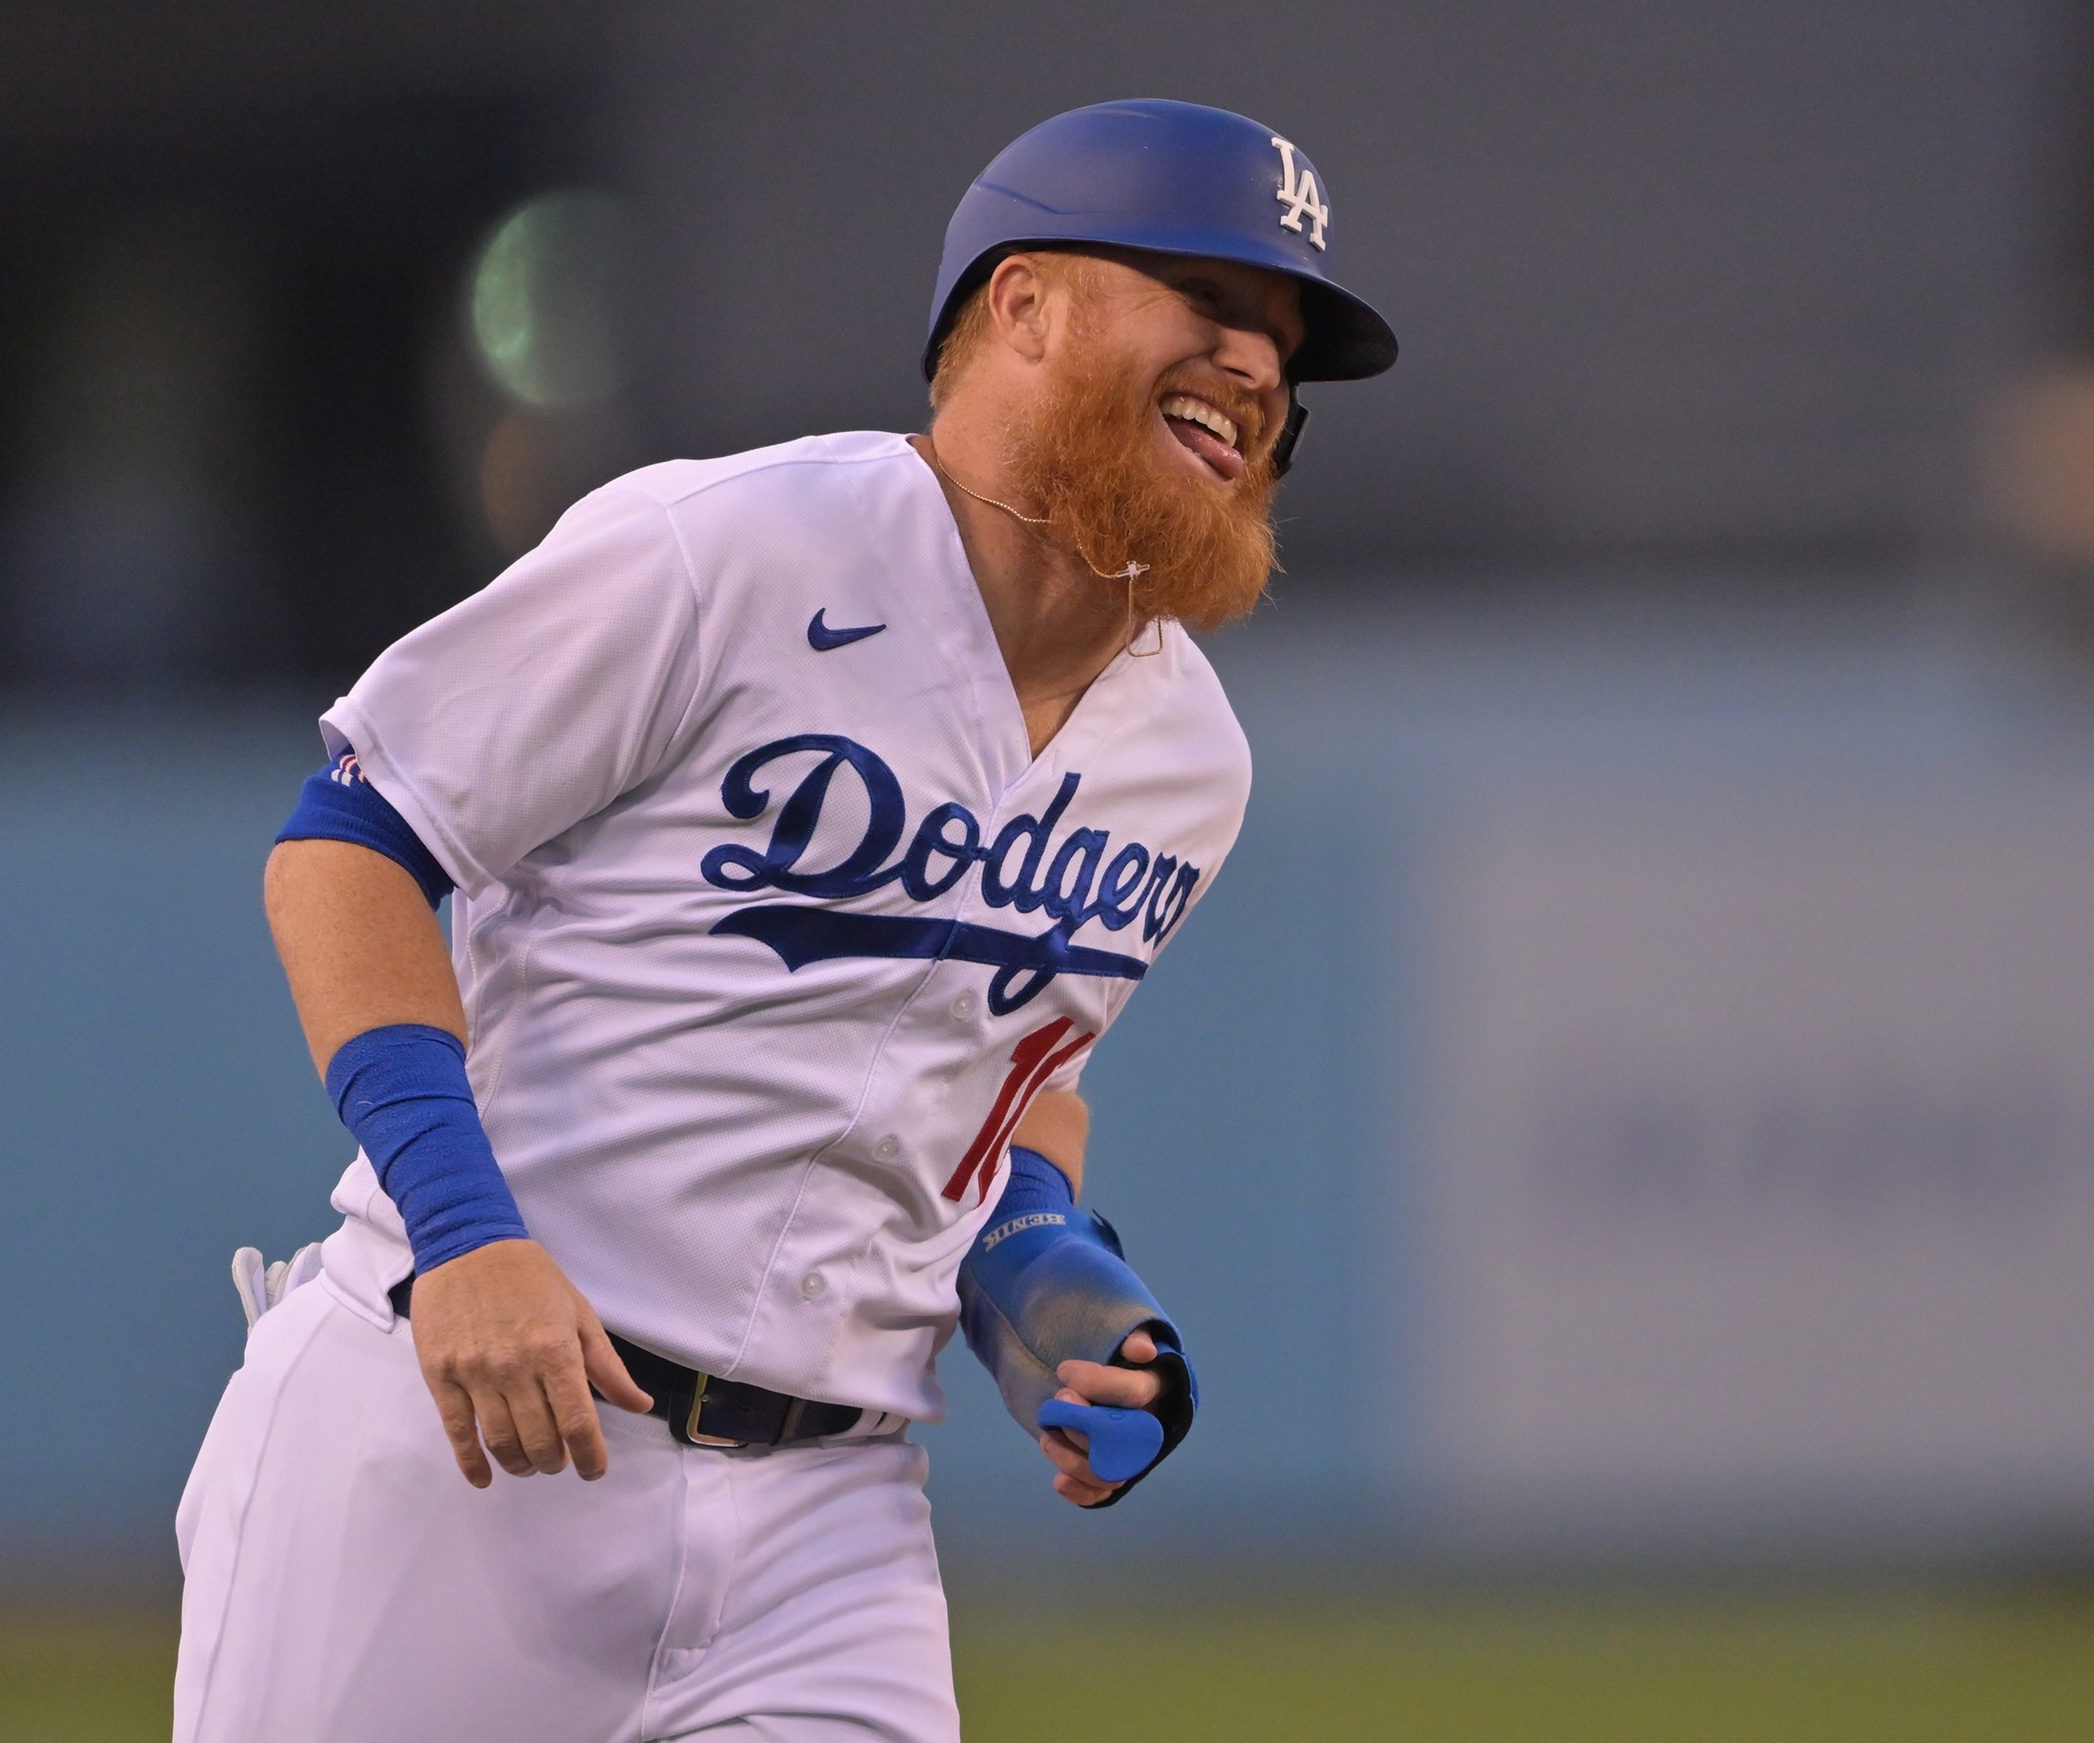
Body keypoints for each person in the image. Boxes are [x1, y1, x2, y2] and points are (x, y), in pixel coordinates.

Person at [172, 98, 1395, 1742]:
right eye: (1216, 303)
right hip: (467, 1434)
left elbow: (1013, 1083)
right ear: (1023, 304)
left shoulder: (1192, 759)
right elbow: (350, 842)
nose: (1262, 367)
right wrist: (461, 1230)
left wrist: (1042, 1260)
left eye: (1289, 347)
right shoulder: (728, 549)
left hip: (833, 1522)